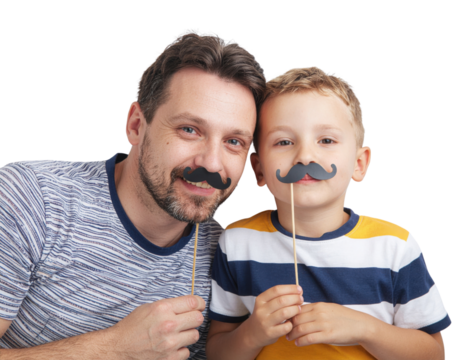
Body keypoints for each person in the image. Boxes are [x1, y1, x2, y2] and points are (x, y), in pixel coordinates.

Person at [0, 28, 266, 360]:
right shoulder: (31, 197)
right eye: (189, 129)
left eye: (234, 142)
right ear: (136, 125)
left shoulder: (229, 257)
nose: (212, 163)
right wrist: (114, 348)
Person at [206, 65, 451, 359]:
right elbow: (217, 352)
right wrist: (252, 333)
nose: (305, 156)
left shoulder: (395, 246)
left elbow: (433, 353)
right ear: (258, 169)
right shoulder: (237, 242)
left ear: (359, 163)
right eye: (284, 141)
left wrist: (365, 328)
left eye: (326, 140)